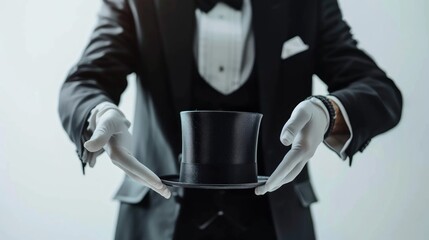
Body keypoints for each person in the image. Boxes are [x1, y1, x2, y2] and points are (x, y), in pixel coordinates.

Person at [58, 0, 402, 239]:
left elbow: (379, 91)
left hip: (276, 223)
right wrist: (100, 114)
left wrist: (328, 111)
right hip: (155, 224)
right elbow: (85, 81)